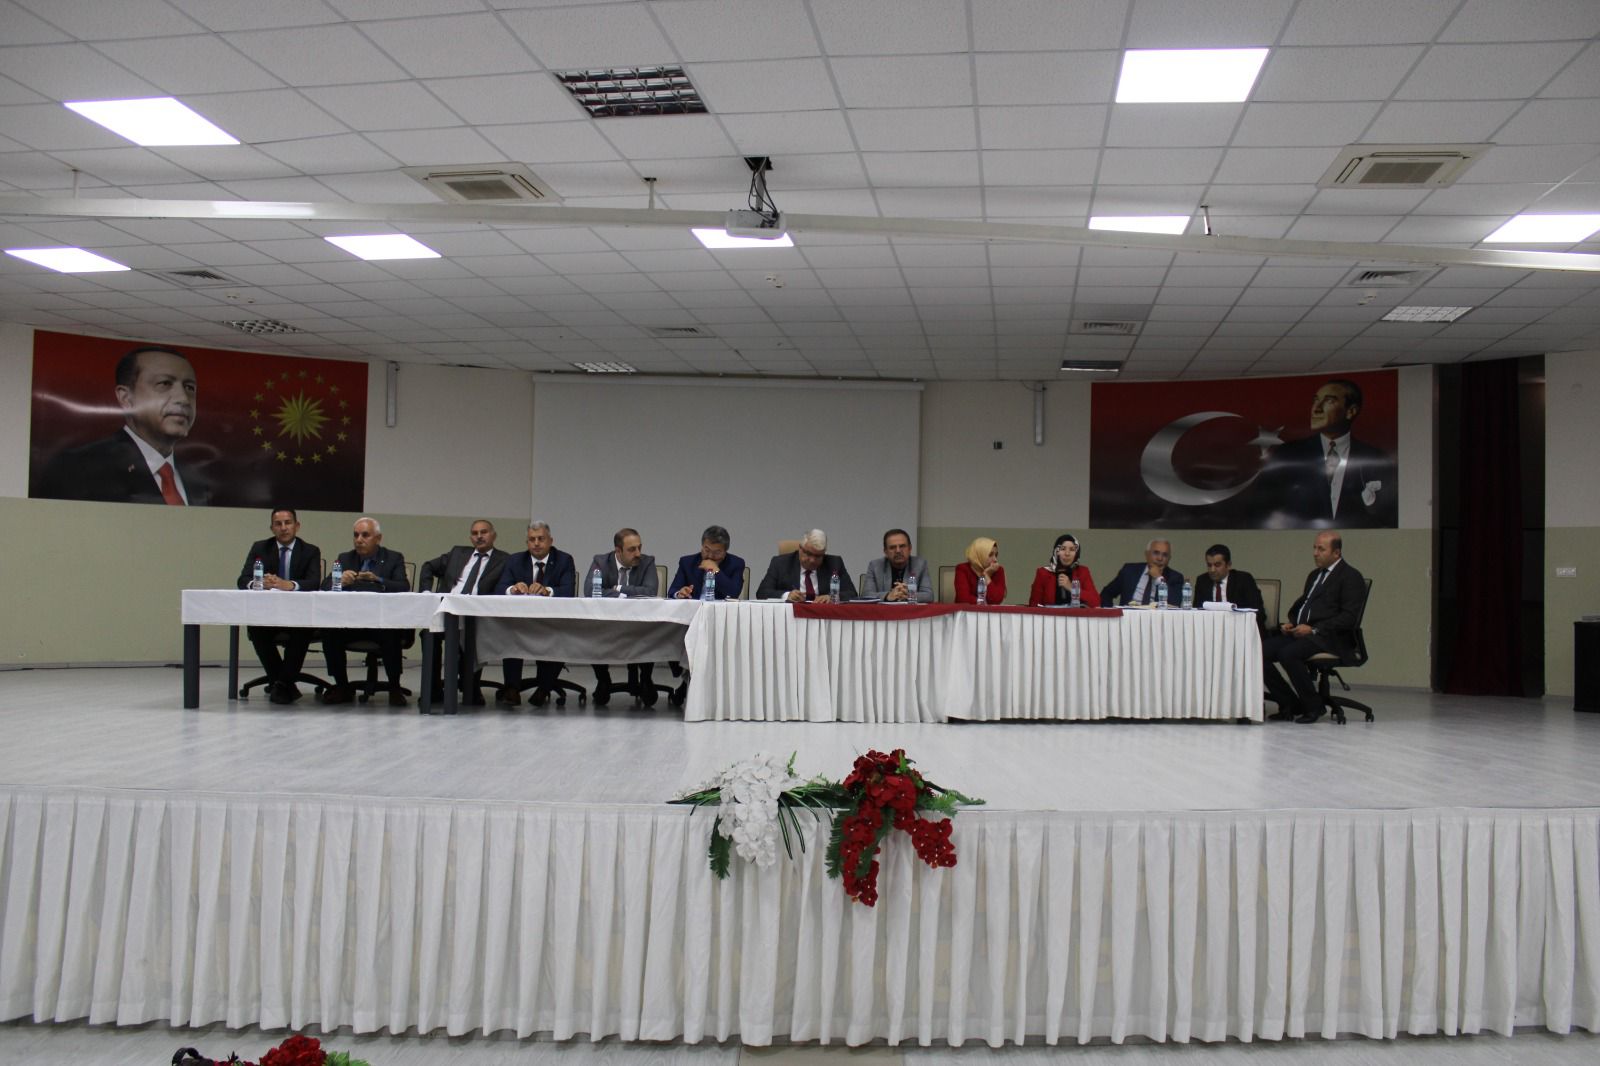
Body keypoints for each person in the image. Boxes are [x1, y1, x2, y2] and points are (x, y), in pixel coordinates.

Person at [36, 344, 209, 505]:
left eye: (189, 388)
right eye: (164, 384)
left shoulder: (198, 480)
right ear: (126, 398)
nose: (183, 399)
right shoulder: (78, 469)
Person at [1255, 378, 1396, 528]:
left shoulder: (1375, 459)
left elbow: (1388, 515)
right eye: (1316, 400)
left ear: (1351, 411)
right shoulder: (1288, 455)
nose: (1316, 409)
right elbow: (1262, 507)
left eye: (1329, 401)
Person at [1264, 531, 1367, 724]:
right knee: (1258, 652)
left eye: (1321, 549)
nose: (1315, 553)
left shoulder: (1351, 577)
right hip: (1304, 632)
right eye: (1314, 548)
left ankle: (1314, 706)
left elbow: (1348, 618)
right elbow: (1305, 606)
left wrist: (1313, 630)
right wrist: (1293, 623)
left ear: (1336, 553)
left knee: (1288, 653)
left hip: (1329, 637)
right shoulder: (1315, 575)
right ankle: (1290, 704)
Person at [319, 517, 411, 706]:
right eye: (356, 535)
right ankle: (342, 686)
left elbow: (403, 586)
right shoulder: (345, 558)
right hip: (351, 622)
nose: (359, 540)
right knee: (329, 631)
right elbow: (324, 586)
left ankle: (394, 687)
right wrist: (339, 581)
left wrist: (378, 580)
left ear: (378, 538)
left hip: (381, 622)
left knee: (391, 632)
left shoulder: (393, 558)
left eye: (365, 535)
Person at [235, 507, 322, 705]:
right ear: (272, 528)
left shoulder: (310, 551)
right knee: (255, 628)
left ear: (297, 526)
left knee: (302, 630)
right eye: (278, 524)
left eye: (288, 523)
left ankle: (281, 684)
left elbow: (314, 582)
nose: (283, 528)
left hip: (298, 615)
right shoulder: (260, 548)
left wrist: (289, 585)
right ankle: (284, 684)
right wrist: (260, 583)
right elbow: (243, 580)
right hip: (269, 615)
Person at [418, 519, 510, 704]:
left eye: (484, 532)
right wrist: (427, 593)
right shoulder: (457, 553)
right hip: (447, 610)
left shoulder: (504, 560)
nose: (479, 536)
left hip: (478, 614)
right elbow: (428, 566)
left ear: (493, 535)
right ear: (470, 538)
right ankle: (433, 690)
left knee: (473, 635)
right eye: (475, 533)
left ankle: (471, 688)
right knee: (428, 634)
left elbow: (506, 585)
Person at [494, 521, 576, 707]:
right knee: (511, 634)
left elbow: (568, 590)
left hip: (552, 621)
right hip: (521, 622)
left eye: (541, 539)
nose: (536, 543)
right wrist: (512, 589)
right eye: (532, 539)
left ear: (550, 541)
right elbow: (499, 588)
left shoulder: (563, 560)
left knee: (559, 636)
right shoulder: (515, 560)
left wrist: (547, 590)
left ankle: (544, 688)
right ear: (527, 542)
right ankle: (512, 688)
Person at [584, 527, 660, 707]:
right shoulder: (601, 562)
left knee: (649, 634)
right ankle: (603, 679)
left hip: (639, 624)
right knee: (593, 636)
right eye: (632, 549)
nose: (638, 553)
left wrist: (618, 588)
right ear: (618, 551)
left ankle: (646, 679)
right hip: (608, 624)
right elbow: (590, 591)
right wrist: (625, 595)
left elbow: (650, 591)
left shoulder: (647, 562)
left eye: (639, 547)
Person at [757, 529, 857, 602]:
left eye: (818, 556)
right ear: (800, 548)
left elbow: (852, 594)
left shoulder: (835, 563)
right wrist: (787, 595)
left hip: (823, 616)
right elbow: (762, 592)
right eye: (808, 554)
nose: (812, 560)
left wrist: (832, 597)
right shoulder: (780, 563)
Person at [1191, 543, 1267, 635]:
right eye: (1209, 565)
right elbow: (1197, 612)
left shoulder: (1243, 580)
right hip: (1210, 631)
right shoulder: (1202, 581)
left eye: (1217, 565)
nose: (1212, 570)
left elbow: (1259, 613)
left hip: (1240, 630)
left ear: (1229, 565)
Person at [669, 525, 746, 601]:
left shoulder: (736, 564)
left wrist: (716, 571)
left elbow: (734, 594)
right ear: (702, 546)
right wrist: (679, 593)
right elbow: (672, 591)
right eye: (707, 550)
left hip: (720, 608)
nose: (710, 556)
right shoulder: (687, 562)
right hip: (695, 607)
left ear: (725, 551)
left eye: (717, 552)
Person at [1101, 538, 1186, 606]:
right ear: (1147, 554)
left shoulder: (1175, 577)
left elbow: (1175, 603)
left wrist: (1159, 578)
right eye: (1156, 553)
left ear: (1169, 558)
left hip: (1156, 620)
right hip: (1129, 618)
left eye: (1165, 555)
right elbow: (1106, 593)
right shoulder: (1129, 571)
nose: (1160, 558)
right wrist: (1111, 613)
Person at [861, 528, 934, 603]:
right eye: (892, 547)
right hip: (884, 610)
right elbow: (866, 595)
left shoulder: (920, 564)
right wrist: (888, 596)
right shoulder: (875, 566)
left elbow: (929, 596)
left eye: (902, 546)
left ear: (910, 548)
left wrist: (908, 595)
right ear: (885, 552)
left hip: (910, 610)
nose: (898, 551)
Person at [1028, 533, 1100, 607]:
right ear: (1056, 552)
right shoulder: (1043, 573)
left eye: (1072, 549)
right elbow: (1034, 605)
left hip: (1075, 614)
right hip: (1050, 614)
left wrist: (1071, 588)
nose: (1067, 553)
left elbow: (1095, 602)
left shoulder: (1082, 572)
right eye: (1063, 549)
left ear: (1076, 553)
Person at [953, 536, 1005, 604]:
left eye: (996, 555)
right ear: (979, 554)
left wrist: (986, 575)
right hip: (966, 610)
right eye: (990, 555)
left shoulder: (998, 570)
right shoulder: (963, 569)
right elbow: (963, 599)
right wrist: (983, 602)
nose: (995, 559)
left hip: (990, 611)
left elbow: (996, 600)